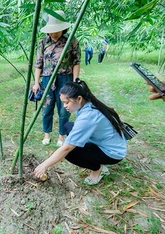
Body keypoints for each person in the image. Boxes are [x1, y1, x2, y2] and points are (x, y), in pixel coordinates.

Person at [34, 79, 127, 185]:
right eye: (63, 102)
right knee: (68, 126)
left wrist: (44, 165)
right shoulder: (89, 102)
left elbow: (67, 148)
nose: (64, 106)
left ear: (79, 98)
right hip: (106, 141)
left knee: (70, 153)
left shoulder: (88, 116)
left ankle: (98, 169)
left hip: (112, 152)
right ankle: (92, 157)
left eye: (67, 102)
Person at [33, 10, 81, 147]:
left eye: (57, 31)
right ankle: (47, 134)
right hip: (47, 80)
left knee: (64, 109)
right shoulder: (43, 43)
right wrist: (36, 83)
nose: (54, 34)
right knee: (47, 108)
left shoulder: (71, 41)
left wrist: (75, 81)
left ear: (63, 29)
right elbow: (38, 64)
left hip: (65, 79)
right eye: (52, 31)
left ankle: (61, 135)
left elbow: (76, 62)